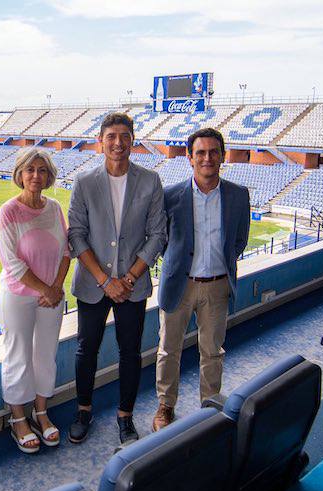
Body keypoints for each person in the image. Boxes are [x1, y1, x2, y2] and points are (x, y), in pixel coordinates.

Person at [67, 112, 167, 447]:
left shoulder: (150, 180)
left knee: (130, 352)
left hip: (132, 284)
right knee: (86, 349)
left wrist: (127, 278)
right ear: (101, 141)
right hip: (94, 285)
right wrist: (104, 280)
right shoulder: (84, 182)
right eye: (111, 136)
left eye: (124, 136)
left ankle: (125, 417)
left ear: (133, 140)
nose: (118, 143)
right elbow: (77, 236)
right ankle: (83, 411)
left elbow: (157, 235)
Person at [153, 127, 251, 431]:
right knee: (169, 350)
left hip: (218, 286)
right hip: (179, 285)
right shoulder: (170, 196)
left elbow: (239, 240)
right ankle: (165, 407)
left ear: (222, 156)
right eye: (201, 153)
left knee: (212, 351)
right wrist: (177, 263)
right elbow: (161, 240)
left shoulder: (238, 195)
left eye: (213, 152)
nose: (207, 158)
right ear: (189, 157)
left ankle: (209, 406)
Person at [0, 147, 71, 454]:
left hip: (51, 297)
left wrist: (56, 287)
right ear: (20, 174)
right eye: (30, 170)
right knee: (18, 356)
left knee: (45, 355)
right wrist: (46, 289)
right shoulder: (9, 211)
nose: (36, 176)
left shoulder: (54, 208)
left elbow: (67, 251)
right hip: (18, 297)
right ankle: (18, 419)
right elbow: (12, 263)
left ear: (49, 175)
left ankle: (41, 412)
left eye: (42, 170)